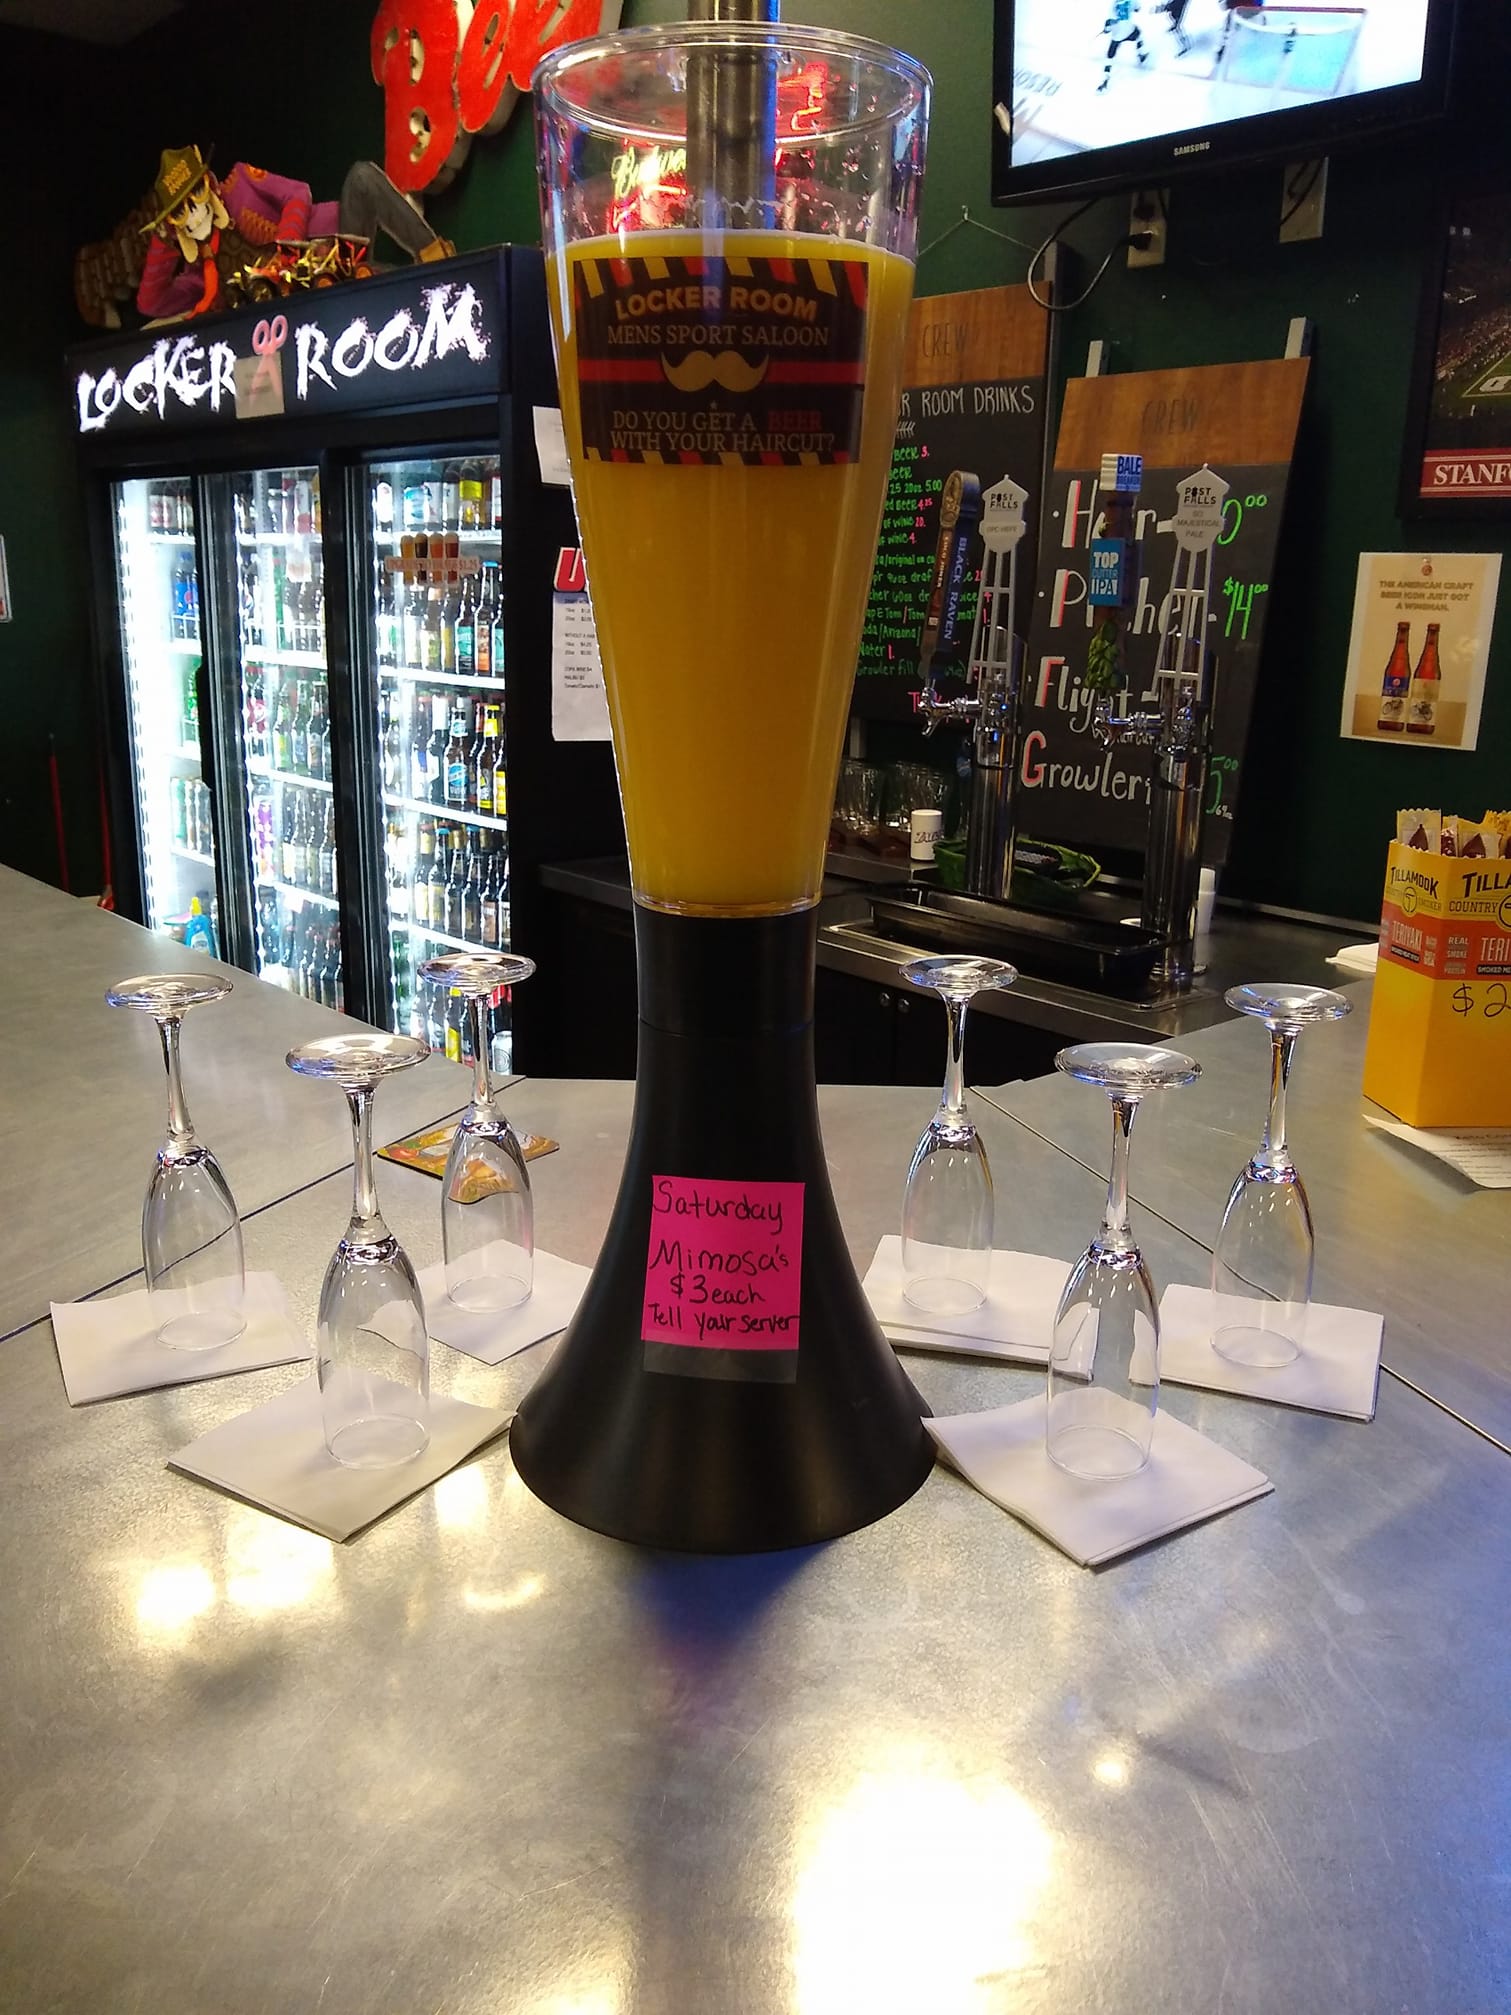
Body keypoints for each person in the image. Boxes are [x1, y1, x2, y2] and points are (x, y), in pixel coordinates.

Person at [135, 144, 455, 324]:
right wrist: (164, 241)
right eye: (180, 211)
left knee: (362, 177)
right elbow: (151, 302)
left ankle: (436, 258)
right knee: (374, 281)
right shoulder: (202, 277)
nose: (193, 213)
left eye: (196, 195)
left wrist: (285, 254)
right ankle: (430, 289)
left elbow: (298, 193)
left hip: (329, 251)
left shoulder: (242, 182)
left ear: (209, 183)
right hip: (309, 306)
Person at [1098, 0, 1150, 90]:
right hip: (1129, 30)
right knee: (1138, 34)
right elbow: (1138, 9)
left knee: (1110, 56)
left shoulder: (1114, 4)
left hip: (1117, 35)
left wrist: (1106, 29)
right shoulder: (1131, 1)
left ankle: (1105, 79)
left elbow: (1109, 23)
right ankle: (1141, 55)